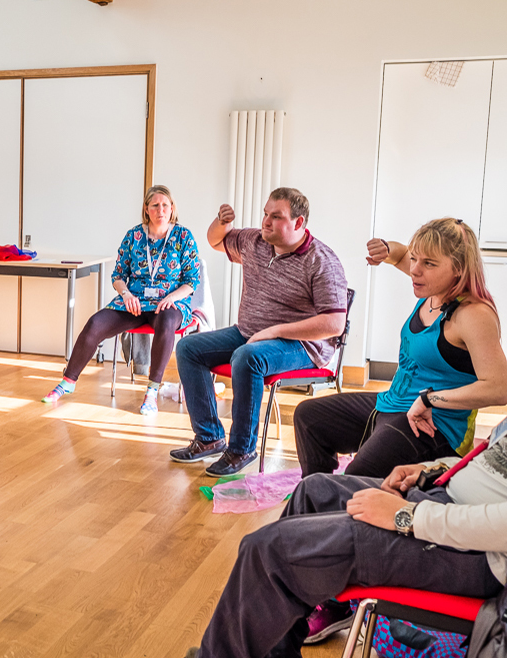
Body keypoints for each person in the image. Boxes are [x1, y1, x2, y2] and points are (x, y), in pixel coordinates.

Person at [183, 436, 507, 658]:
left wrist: (408, 517)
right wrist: (435, 467)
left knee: (268, 553)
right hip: (444, 501)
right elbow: (494, 464)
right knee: (313, 490)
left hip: (479, 549)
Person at [293, 218, 507, 478]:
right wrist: (386, 249)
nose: (415, 270)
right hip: (393, 404)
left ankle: (340, 505)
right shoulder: (433, 288)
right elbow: (401, 254)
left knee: (357, 476)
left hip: (433, 427)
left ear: (458, 269)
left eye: (428, 263)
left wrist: (429, 398)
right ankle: (318, 493)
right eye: (416, 259)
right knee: (309, 418)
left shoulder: (473, 314)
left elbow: (500, 388)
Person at [170, 188, 348, 476]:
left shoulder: (322, 261)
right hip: (249, 333)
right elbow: (216, 240)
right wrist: (222, 221)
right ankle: (209, 438)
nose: (266, 221)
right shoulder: (255, 241)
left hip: (301, 346)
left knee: (247, 357)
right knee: (188, 348)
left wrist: (275, 330)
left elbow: (333, 324)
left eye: (276, 216)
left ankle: (242, 449)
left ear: (299, 223)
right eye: (265, 213)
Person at [41, 185, 201, 415]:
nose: (160, 210)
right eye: (155, 205)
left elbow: (192, 280)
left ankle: (152, 392)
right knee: (96, 323)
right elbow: (117, 275)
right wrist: (126, 294)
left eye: (165, 205)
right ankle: (68, 381)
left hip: (169, 302)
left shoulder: (183, 236)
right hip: (133, 300)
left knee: (166, 322)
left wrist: (171, 297)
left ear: (172, 208)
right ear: (146, 209)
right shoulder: (133, 236)